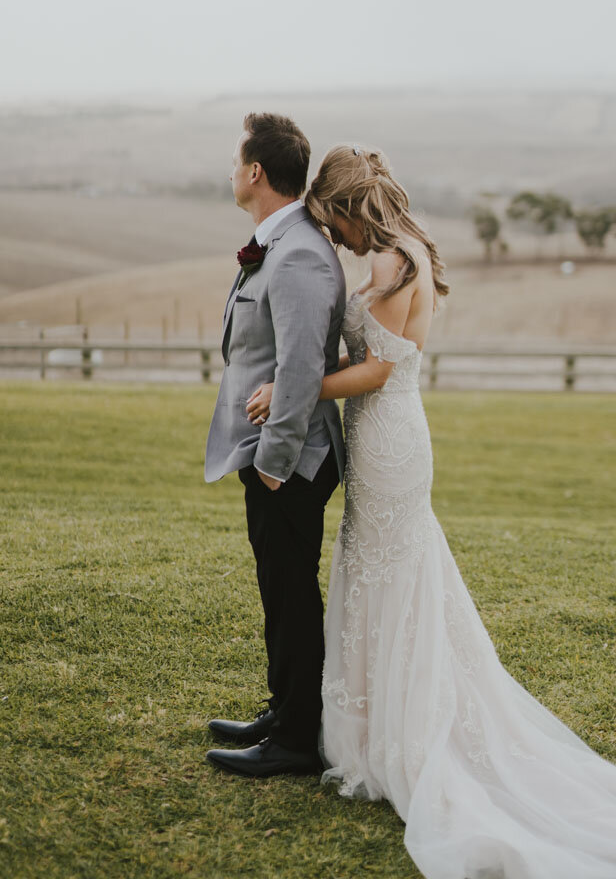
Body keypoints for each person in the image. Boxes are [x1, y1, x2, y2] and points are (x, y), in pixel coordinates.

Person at [244, 144, 616, 879]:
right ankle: (369, 728)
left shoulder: (392, 262)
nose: (335, 238)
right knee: (380, 572)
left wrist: (294, 389)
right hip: (385, 435)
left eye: (335, 222)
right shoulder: (405, 249)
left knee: (392, 574)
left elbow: (378, 367)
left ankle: (401, 735)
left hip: (390, 435)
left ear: (348, 207)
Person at [204, 113, 346, 778]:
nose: (232, 171)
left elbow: (300, 370)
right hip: (269, 453)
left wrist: (273, 468)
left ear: (255, 171)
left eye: (237, 160)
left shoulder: (297, 254)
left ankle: (295, 740)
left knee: (291, 595)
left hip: (287, 460)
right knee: (278, 587)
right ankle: (283, 707)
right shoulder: (280, 242)